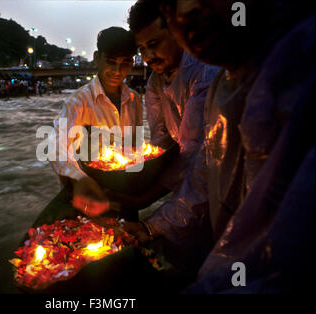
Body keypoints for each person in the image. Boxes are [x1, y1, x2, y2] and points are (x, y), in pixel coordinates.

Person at [126, 0, 314, 292]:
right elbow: (202, 166)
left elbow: (286, 254)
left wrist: (148, 214)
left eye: (155, 43)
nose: (185, 11)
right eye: (169, 6)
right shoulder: (224, 83)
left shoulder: (299, 65)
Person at [108, 0, 219, 211]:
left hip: (214, 180)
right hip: (187, 181)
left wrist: (142, 200)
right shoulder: (154, 83)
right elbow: (161, 141)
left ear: (176, 32)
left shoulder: (204, 73)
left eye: (153, 45)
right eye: (142, 49)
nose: (148, 57)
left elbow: (193, 152)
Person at [30, 26, 142, 228]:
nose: (118, 71)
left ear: (132, 63)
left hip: (127, 197)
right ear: (97, 58)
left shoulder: (134, 100)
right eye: (111, 62)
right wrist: (79, 179)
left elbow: (136, 148)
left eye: (125, 63)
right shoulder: (79, 102)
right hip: (90, 200)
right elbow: (56, 147)